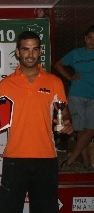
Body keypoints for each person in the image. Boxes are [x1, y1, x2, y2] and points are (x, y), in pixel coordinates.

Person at [0, 31, 74, 213]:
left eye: (34, 49)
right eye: (25, 49)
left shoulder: (54, 82)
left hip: (46, 159)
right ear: (17, 52)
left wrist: (68, 125)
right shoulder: (6, 85)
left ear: (40, 51)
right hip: (15, 159)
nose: (30, 54)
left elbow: (64, 115)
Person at [55, 24, 94, 170]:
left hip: (93, 96)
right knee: (80, 129)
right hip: (76, 94)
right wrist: (70, 77)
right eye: (89, 38)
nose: (91, 41)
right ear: (85, 38)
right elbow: (58, 65)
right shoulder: (76, 53)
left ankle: (71, 158)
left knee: (91, 129)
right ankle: (86, 163)